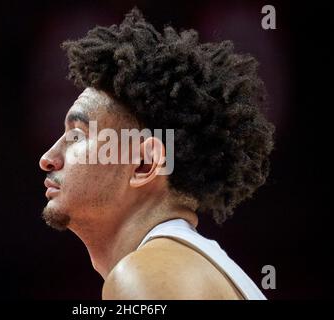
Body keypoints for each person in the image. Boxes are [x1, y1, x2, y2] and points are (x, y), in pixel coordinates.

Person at [39, 8, 274, 299]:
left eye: (77, 135)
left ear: (144, 164)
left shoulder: (143, 275)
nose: (48, 158)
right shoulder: (187, 265)